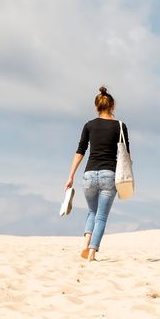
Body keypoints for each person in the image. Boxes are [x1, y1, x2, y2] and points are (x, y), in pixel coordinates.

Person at [64, 86, 130, 261]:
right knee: (101, 216)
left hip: (89, 175)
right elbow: (126, 155)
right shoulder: (120, 127)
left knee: (92, 212)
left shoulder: (89, 125)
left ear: (96, 107)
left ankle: (85, 245)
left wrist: (70, 176)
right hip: (109, 174)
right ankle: (92, 252)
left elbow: (80, 151)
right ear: (112, 106)